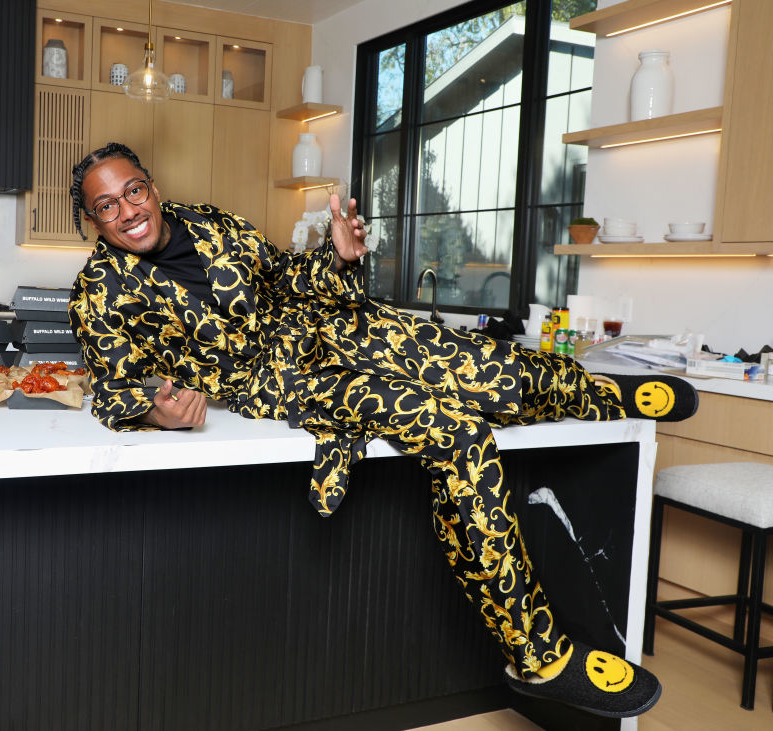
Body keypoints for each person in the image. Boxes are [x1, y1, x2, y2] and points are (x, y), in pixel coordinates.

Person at [66, 142, 697, 719]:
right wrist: (157, 411)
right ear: (93, 221)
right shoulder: (96, 291)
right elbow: (118, 388)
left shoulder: (211, 222)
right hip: (285, 380)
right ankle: (536, 654)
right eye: (107, 205)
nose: (127, 209)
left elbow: (286, 281)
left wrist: (333, 257)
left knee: (489, 371)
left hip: (343, 327)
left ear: (151, 185)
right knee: (454, 432)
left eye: (133, 191)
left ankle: (598, 394)